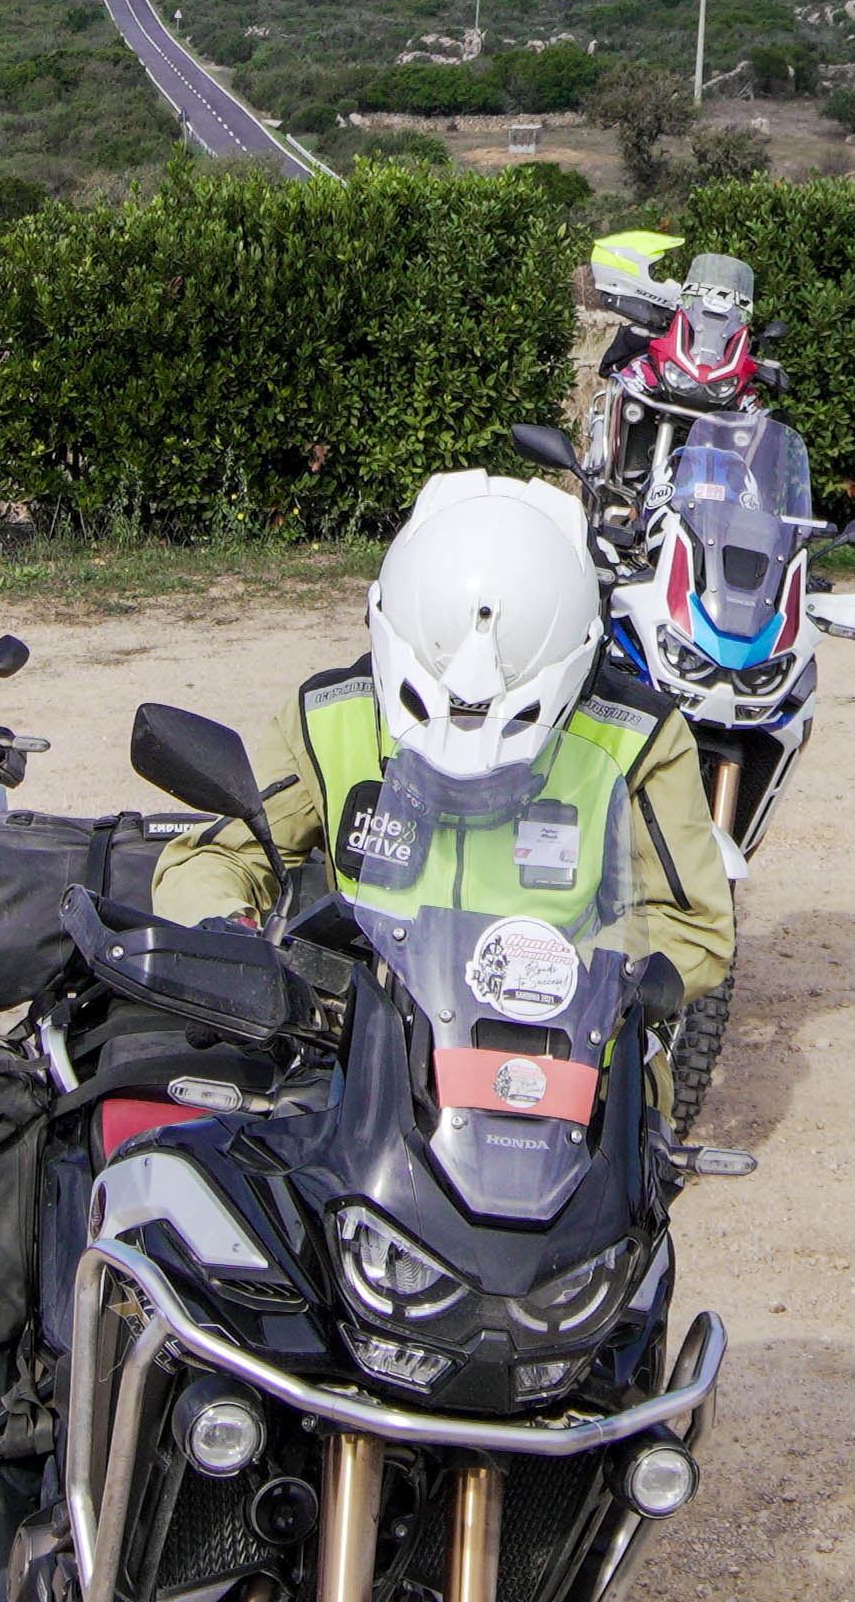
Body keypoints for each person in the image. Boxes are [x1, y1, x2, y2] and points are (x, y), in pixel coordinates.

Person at [156, 466, 745, 1134]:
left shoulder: (638, 737)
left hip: (565, 1077)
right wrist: (224, 939)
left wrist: (597, 985)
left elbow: (694, 923)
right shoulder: (327, 716)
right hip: (359, 1061)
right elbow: (216, 856)